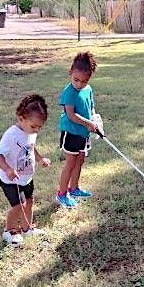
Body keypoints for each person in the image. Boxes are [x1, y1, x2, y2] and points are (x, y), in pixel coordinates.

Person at [0, 94, 51, 246]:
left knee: (30, 202)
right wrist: (7, 169)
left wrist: (40, 159)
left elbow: (31, 147)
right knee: (19, 206)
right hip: (10, 180)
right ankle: (10, 230)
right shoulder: (11, 135)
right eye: (34, 126)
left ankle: (27, 229)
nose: (36, 130)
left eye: (40, 127)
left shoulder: (30, 132)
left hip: (26, 177)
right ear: (21, 119)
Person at [56, 52, 99, 208]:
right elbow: (71, 115)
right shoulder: (69, 92)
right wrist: (88, 123)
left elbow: (91, 106)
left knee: (80, 160)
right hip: (72, 132)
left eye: (84, 81)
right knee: (71, 163)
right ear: (70, 73)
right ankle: (61, 194)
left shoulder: (87, 89)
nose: (80, 84)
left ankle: (74, 189)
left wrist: (94, 120)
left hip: (84, 132)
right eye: (76, 80)